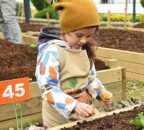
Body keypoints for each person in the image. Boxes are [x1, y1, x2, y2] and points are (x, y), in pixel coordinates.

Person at [34, 0, 113, 128]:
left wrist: (100, 92)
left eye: (88, 36)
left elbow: (90, 78)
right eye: (79, 35)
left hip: (84, 111)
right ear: (66, 29)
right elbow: (49, 89)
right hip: (58, 118)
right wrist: (74, 105)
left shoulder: (84, 50)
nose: (83, 40)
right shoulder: (52, 52)